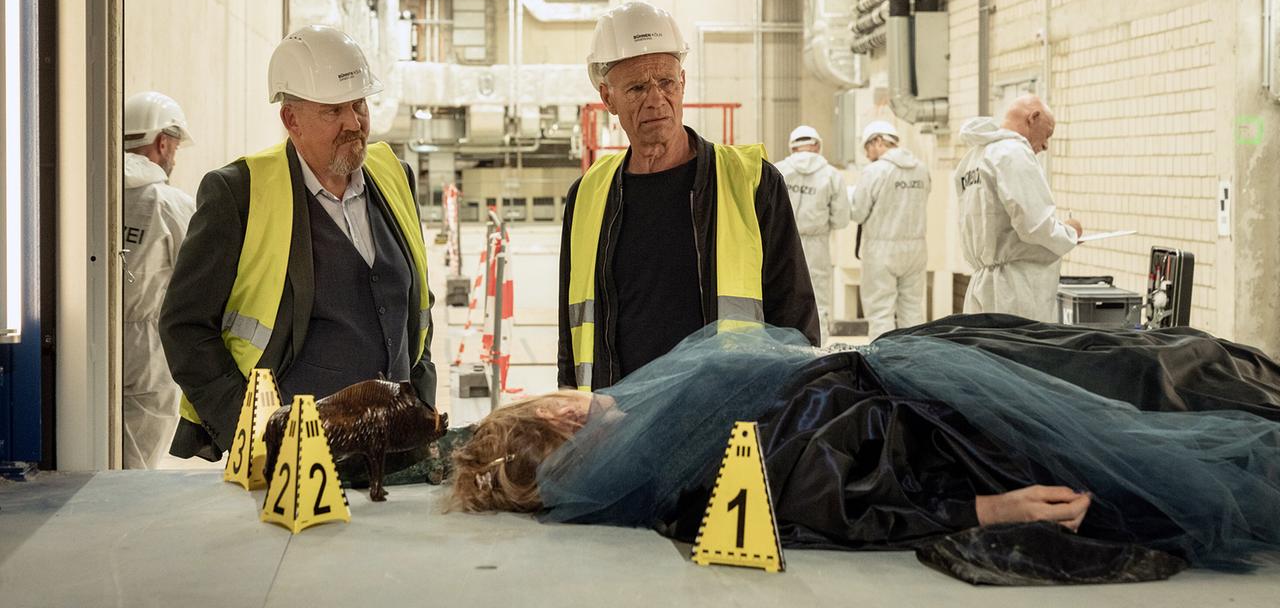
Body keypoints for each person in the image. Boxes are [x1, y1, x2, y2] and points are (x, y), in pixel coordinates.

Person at [450, 319, 1280, 573]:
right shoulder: (677, 454)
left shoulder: (659, 462)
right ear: (563, 426)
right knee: (1152, 383)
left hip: (937, 391)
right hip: (954, 424)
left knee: (1153, 370)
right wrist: (988, 507)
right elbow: (823, 498)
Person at [160, 25, 435, 462]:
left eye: (359, 104)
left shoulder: (394, 175)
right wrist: (250, 432)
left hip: (398, 448)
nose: (354, 123)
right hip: (297, 462)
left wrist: (422, 399)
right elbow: (185, 328)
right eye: (332, 111)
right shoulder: (240, 193)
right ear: (292, 120)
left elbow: (416, 306)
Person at [558, 1, 819, 391]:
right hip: (614, 422)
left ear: (682, 82)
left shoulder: (750, 182)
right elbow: (571, 332)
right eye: (637, 87)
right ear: (608, 99)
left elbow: (795, 321)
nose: (655, 99)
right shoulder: (587, 196)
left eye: (666, 82)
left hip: (724, 417)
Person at [954, 95, 1082, 322]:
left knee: (984, 353)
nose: (1045, 145)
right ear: (1033, 117)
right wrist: (1070, 232)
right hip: (1015, 290)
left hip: (984, 284)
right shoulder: (1013, 153)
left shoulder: (972, 159)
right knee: (1014, 354)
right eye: (1047, 134)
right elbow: (1035, 226)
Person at [122, 91, 197, 468]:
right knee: (138, 461)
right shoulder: (169, 204)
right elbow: (201, 278)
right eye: (175, 149)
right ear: (162, 142)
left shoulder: (93, 193)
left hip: (87, 341)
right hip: (147, 346)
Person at [849, 121, 930, 339]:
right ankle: (914, 360)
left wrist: (850, 196)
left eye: (867, 148)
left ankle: (881, 363)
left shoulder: (875, 171)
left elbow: (858, 212)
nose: (867, 155)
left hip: (881, 250)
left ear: (877, 140)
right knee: (912, 309)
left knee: (880, 311)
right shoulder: (921, 170)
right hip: (916, 249)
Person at [774, 125, 850, 342]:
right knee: (819, 300)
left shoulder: (778, 169)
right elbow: (842, 218)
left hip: (782, 242)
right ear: (817, 145)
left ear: (792, 146)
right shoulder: (831, 175)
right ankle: (819, 355)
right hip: (817, 245)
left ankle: (788, 353)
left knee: (784, 296)